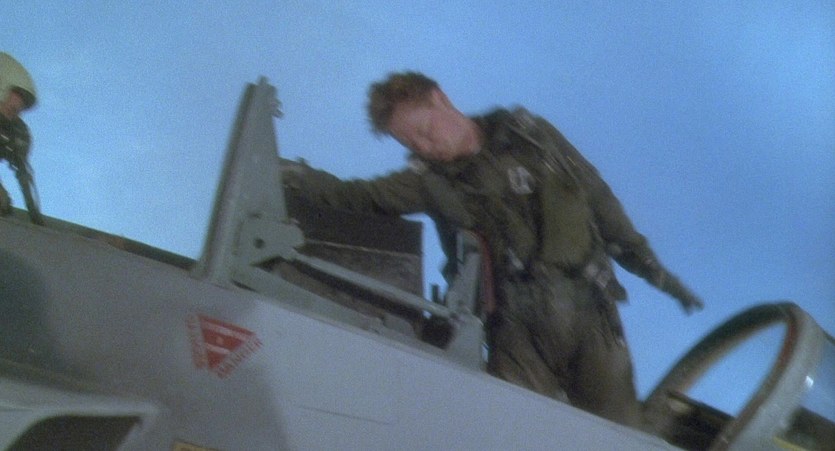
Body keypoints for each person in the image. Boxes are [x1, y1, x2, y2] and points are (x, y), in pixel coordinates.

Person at [282, 71, 703, 428]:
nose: (424, 148)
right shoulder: (428, 182)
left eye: (424, 132)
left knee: (619, 435)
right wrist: (291, 174)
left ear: (440, 98)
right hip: (518, 331)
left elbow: (597, 198)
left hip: (590, 314)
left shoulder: (531, 136)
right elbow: (358, 197)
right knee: (506, 431)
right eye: (411, 145)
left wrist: (654, 272)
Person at [0, 52, 43, 224]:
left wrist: (37, 223)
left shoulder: (17, 131)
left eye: (23, 101)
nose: (19, 106)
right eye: (17, 95)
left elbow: (23, 173)